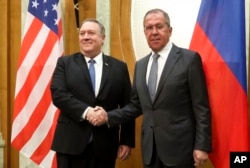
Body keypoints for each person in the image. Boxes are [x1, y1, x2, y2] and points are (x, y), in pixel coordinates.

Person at [88, 8, 212, 168]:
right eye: (149, 27)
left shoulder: (189, 59)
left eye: (159, 26)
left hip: (180, 149)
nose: (154, 32)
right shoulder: (141, 65)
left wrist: (202, 145)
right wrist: (107, 116)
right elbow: (135, 106)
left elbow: (201, 107)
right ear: (144, 31)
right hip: (150, 150)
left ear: (170, 30)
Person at [50, 18, 135, 168]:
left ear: (103, 38)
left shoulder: (119, 67)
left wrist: (126, 141)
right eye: (82, 33)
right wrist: (87, 112)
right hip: (70, 144)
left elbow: (127, 105)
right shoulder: (65, 63)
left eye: (91, 33)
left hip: (105, 145)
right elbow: (59, 95)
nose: (86, 37)